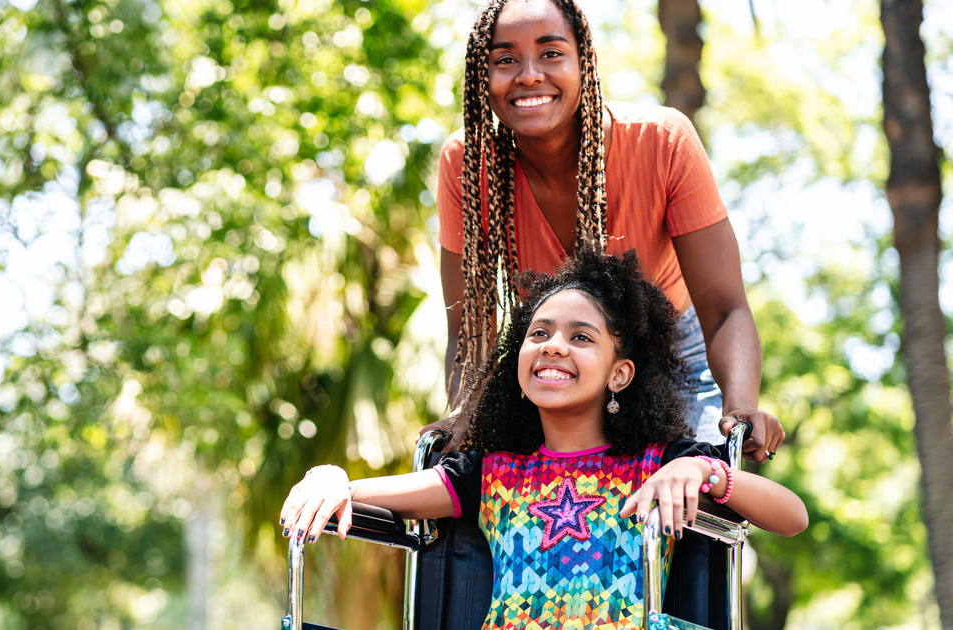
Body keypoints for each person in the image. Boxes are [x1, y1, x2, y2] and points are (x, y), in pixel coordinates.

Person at [281, 253, 807, 629]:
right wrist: (334, 480)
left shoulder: (662, 463)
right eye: (539, 333)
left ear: (619, 374)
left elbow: (791, 517)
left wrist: (706, 472)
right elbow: (378, 491)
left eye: (581, 337)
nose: (553, 346)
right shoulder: (492, 474)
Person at [433, 0, 782, 460]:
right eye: (504, 60)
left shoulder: (662, 141)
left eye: (551, 53)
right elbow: (469, 332)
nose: (529, 74)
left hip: (675, 354)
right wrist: (465, 412)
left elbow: (723, 307)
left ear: (587, 63)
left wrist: (740, 406)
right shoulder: (467, 166)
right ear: (483, 76)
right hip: (556, 360)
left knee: (690, 502)